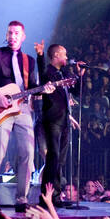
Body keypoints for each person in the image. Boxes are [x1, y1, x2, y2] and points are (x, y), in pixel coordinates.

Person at [0, 21, 43, 213]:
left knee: (28, 153)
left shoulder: (29, 60)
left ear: (23, 37)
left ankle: (22, 199)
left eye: (16, 33)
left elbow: (32, 87)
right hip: (2, 110)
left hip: (23, 109)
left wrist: (42, 89)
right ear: (6, 35)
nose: (13, 36)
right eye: (10, 33)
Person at [34, 41, 79, 205]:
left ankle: (56, 195)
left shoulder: (63, 74)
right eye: (64, 54)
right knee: (53, 157)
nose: (66, 57)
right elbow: (42, 73)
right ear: (56, 56)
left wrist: (79, 75)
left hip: (64, 120)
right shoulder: (49, 72)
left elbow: (76, 91)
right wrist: (40, 56)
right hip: (52, 119)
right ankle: (46, 196)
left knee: (60, 159)